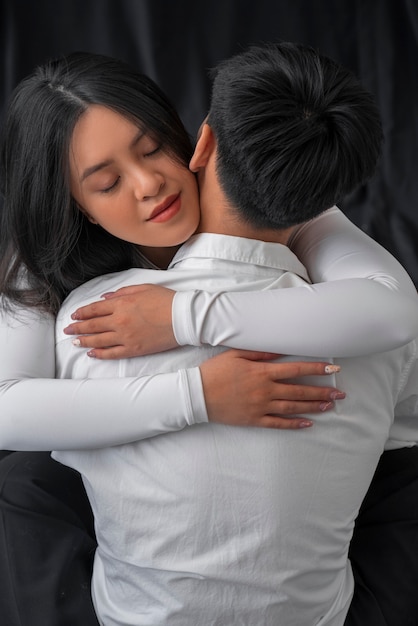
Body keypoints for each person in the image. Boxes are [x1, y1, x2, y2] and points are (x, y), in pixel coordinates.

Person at [0, 50, 416, 625]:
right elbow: (8, 409)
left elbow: (391, 311)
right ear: (74, 205)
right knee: (26, 479)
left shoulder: (264, 188)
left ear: (196, 141)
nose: (149, 184)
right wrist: (199, 394)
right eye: (108, 182)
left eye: (151, 149)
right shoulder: (49, 279)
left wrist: (180, 316)